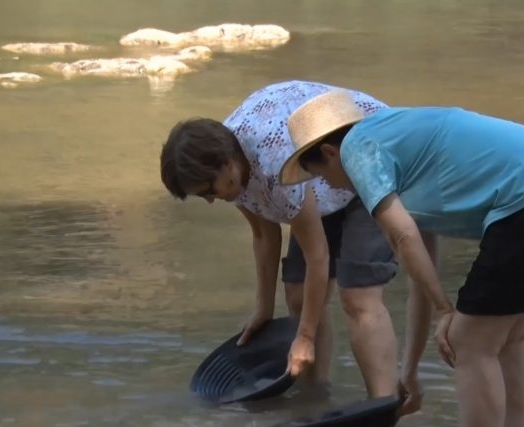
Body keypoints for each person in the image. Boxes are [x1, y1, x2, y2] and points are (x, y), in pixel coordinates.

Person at [279, 90, 524, 427]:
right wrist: (410, 372)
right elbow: (420, 266)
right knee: (509, 340)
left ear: (331, 153)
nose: (333, 188)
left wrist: (445, 313)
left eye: (323, 177)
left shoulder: (357, 147)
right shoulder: (398, 144)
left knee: (469, 343)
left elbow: (402, 239)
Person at [159, 80, 402, 398]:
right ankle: (314, 395)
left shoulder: (274, 163)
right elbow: (263, 234)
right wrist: (263, 309)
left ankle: (384, 405)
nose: (209, 200)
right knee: (299, 297)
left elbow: (318, 256)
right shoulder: (230, 168)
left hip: (369, 158)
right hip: (321, 186)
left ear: (227, 163)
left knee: (358, 296)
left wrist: (304, 337)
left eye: (208, 191)